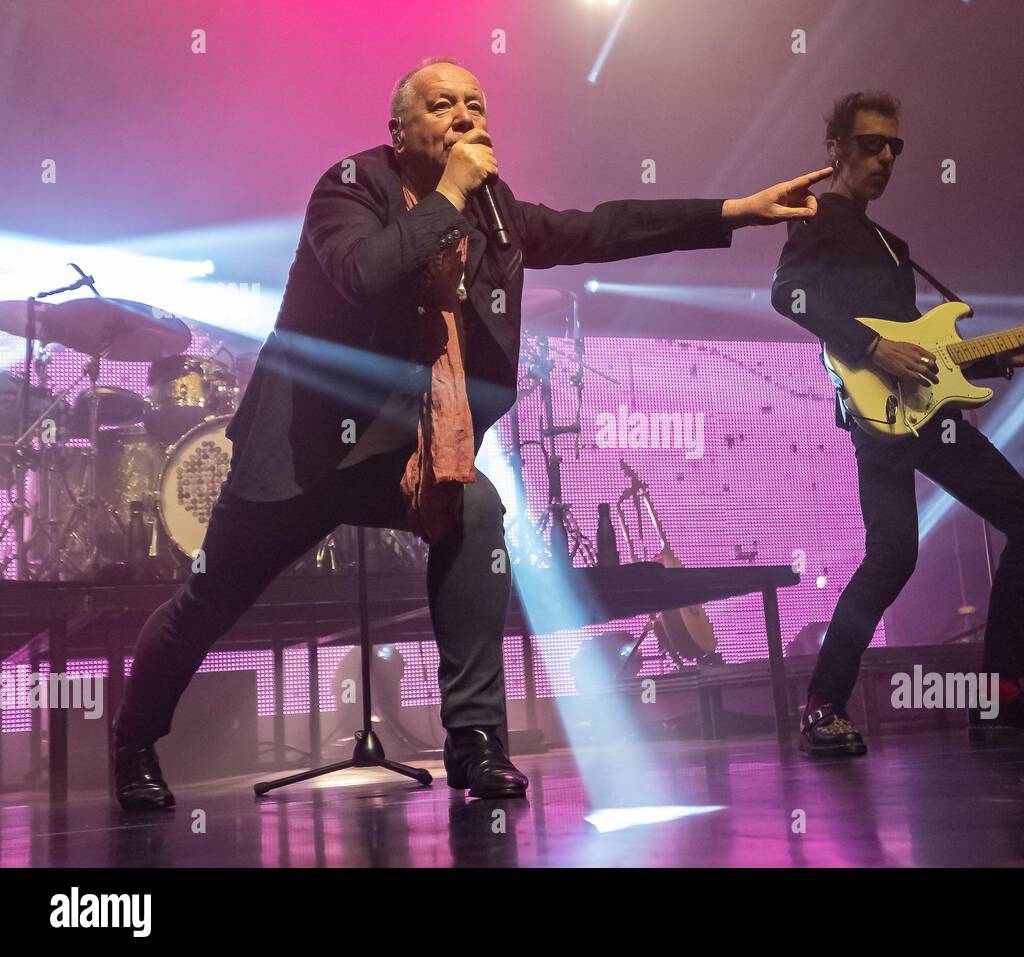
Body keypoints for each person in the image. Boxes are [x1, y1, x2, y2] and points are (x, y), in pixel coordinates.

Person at [112, 57, 833, 809]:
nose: (465, 115)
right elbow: (364, 272)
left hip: (396, 452)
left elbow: (597, 228)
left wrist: (732, 211)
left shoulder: (494, 214)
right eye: (442, 104)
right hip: (303, 447)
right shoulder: (351, 187)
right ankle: (134, 738)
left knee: (477, 509)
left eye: (475, 104)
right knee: (208, 601)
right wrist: (451, 191)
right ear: (399, 131)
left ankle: (475, 740)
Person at [770, 91, 1024, 758]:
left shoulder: (894, 244)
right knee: (893, 557)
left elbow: (929, 351)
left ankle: (1000, 695)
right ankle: (823, 704)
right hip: (876, 416)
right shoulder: (817, 219)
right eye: (869, 144)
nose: (885, 157)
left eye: (895, 148)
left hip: (930, 415)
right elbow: (788, 295)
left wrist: (1002, 358)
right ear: (836, 150)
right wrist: (869, 346)